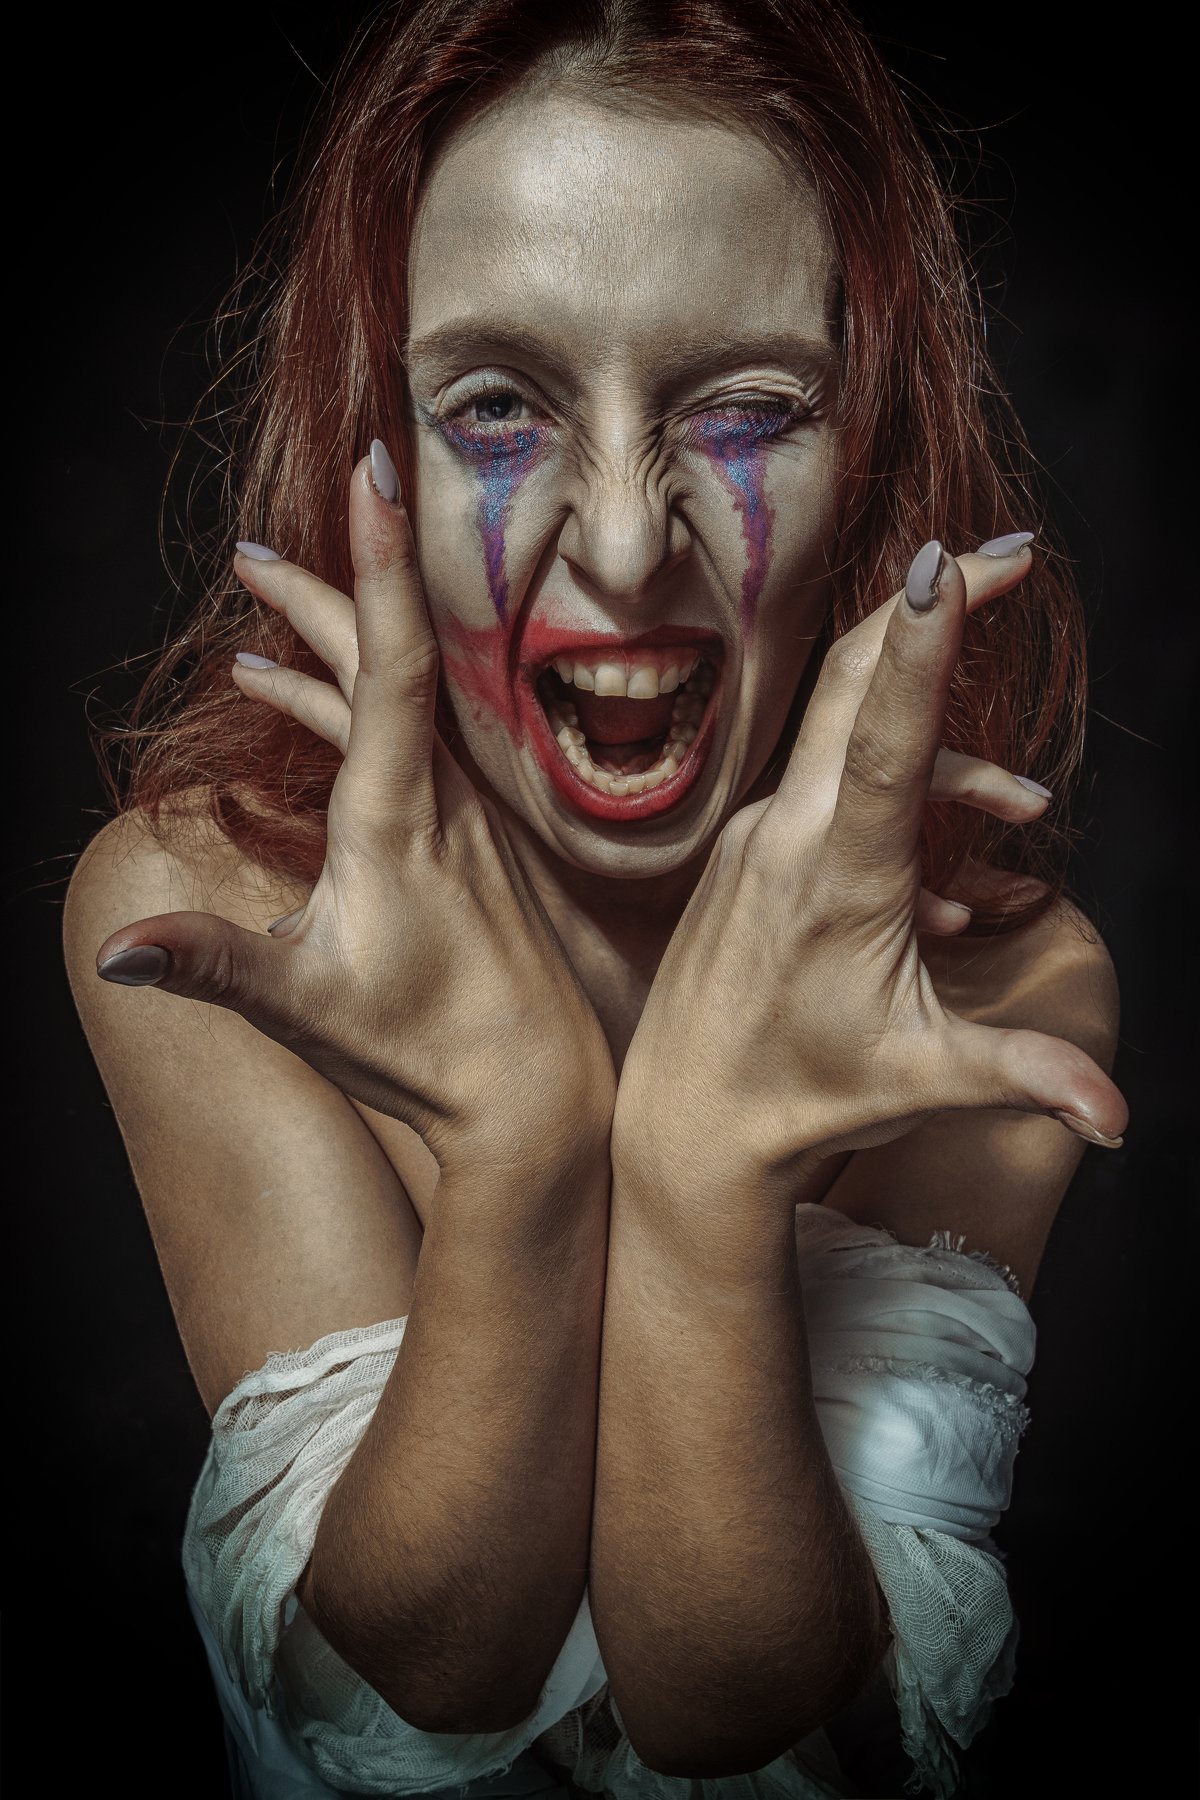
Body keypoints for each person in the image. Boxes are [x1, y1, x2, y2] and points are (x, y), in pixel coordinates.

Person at [62, 1, 1125, 1795]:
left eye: (748, 410)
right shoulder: (217, 916)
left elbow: (728, 1705)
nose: (626, 547)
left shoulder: (995, 987)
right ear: (377, 440)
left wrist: (703, 1174)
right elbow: (429, 1670)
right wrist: (521, 1135)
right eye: (496, 404)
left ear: (871, 455)